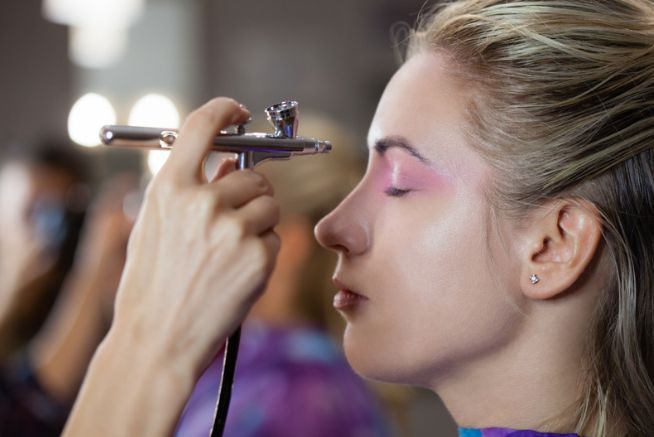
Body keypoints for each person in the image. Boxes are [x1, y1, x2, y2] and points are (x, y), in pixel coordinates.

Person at [63, 1, 654, 436]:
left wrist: (149, 341)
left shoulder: (298, 400)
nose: (330, 227)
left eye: (397, 184)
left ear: (551, 246)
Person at [175, 117, 390, 437]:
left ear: (287, 244)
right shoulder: (280, 373)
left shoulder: (295, 397)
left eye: (228, 211)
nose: (201, 235)